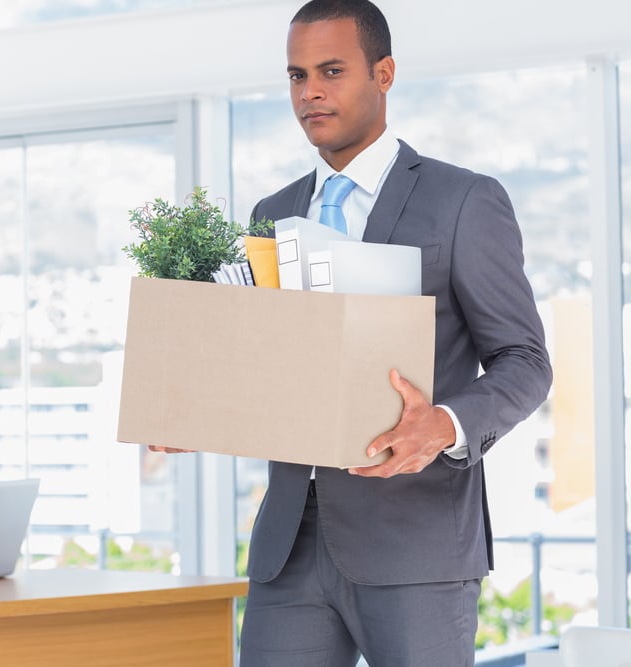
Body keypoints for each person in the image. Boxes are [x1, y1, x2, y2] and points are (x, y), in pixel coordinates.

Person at [153, 1, 552, 665]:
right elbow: (266, 368)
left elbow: (525, 359)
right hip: (289, 548)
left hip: (416, 542)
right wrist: (201, 413)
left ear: (384, 73)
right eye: (296, 75)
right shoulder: (271, 214)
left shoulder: (462, 202)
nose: (309, 92)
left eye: (331, 71)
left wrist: (445, 423)